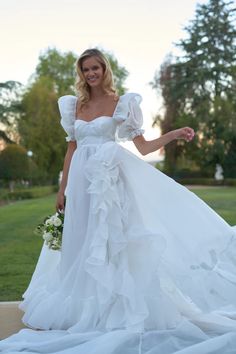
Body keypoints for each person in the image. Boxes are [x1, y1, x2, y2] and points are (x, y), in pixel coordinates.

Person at [1, 48, 236, 354]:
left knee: (111, 242)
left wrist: (174, 133)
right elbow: (72, 149)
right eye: (85, 69)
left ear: (104, 69)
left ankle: (113, 306)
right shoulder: (75, 106)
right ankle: (81, 308)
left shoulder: (120, 103)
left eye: (95, 68)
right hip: (81, 185)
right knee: (80, 242)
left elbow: (143, 146)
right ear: (81, 73)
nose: (90, 74)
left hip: (110, 184)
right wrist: (63, 189)